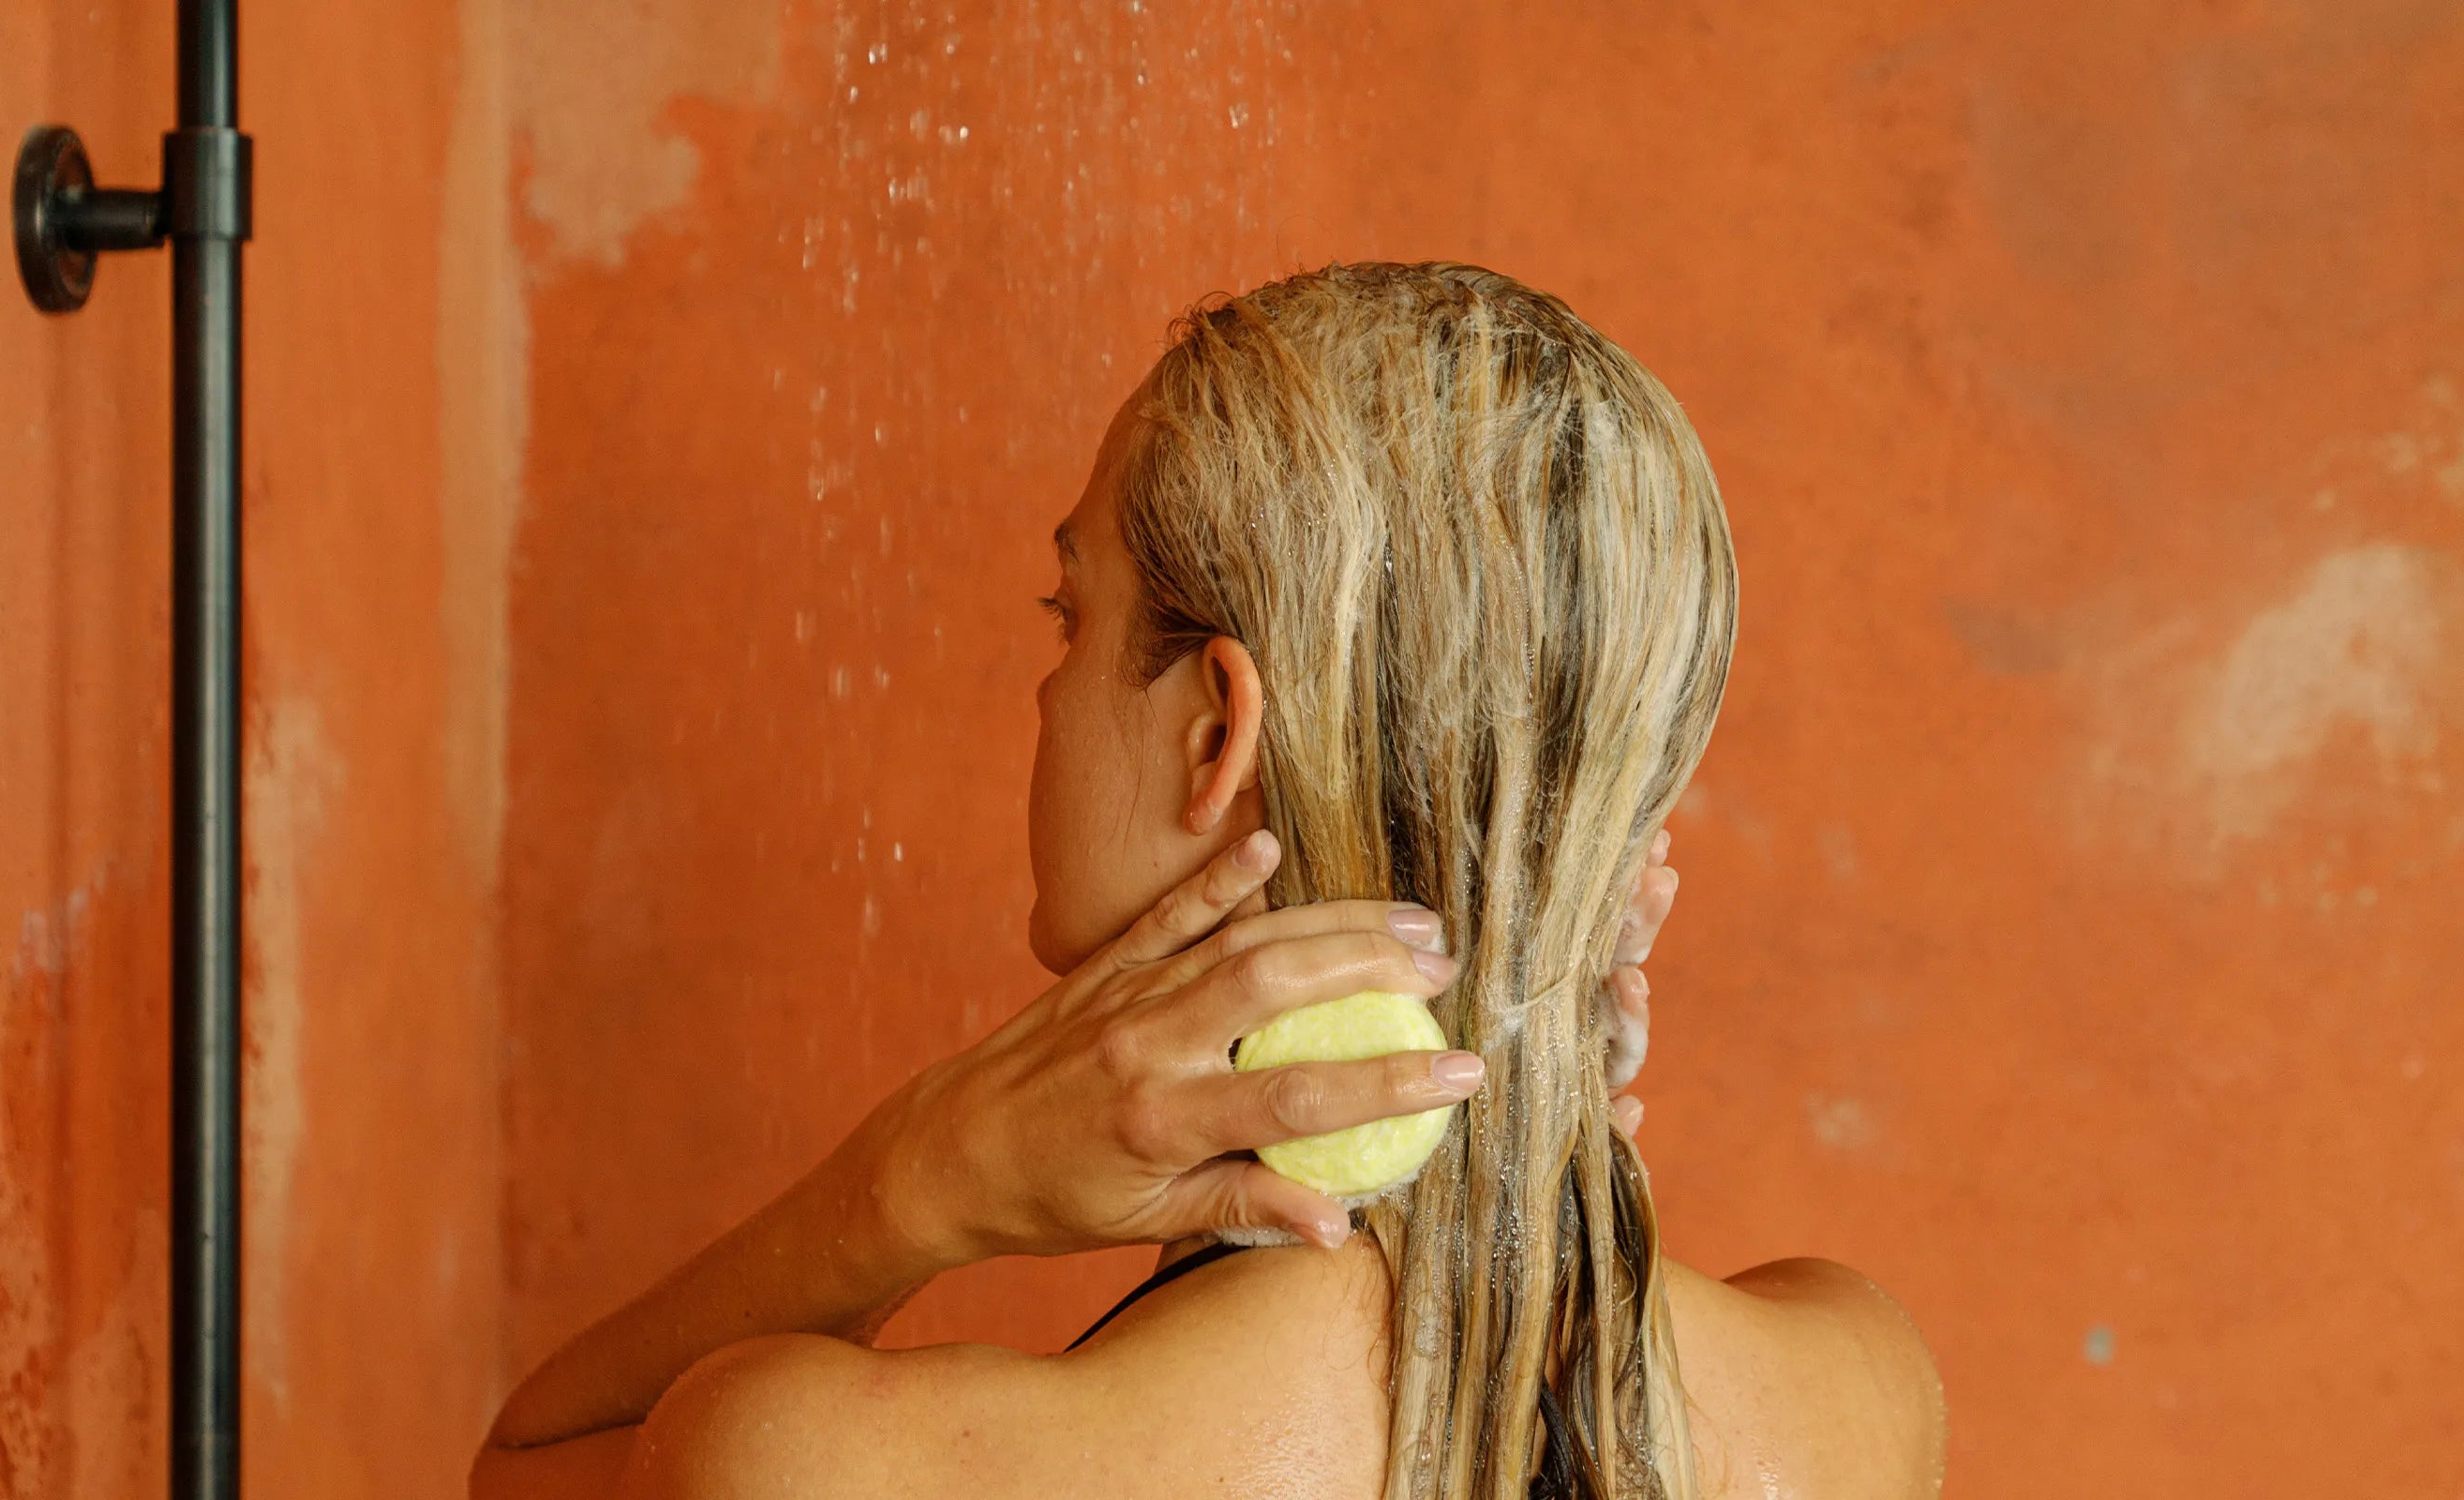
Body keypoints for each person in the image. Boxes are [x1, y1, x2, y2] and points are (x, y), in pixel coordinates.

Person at [471, 262, 1943, 1499]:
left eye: (1071, 612)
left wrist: (914, 1185)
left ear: (1216, 733)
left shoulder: (825, 1462)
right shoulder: (1858, 1392)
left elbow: (521, 1468)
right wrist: (1530, 1068)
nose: (1047, 691)